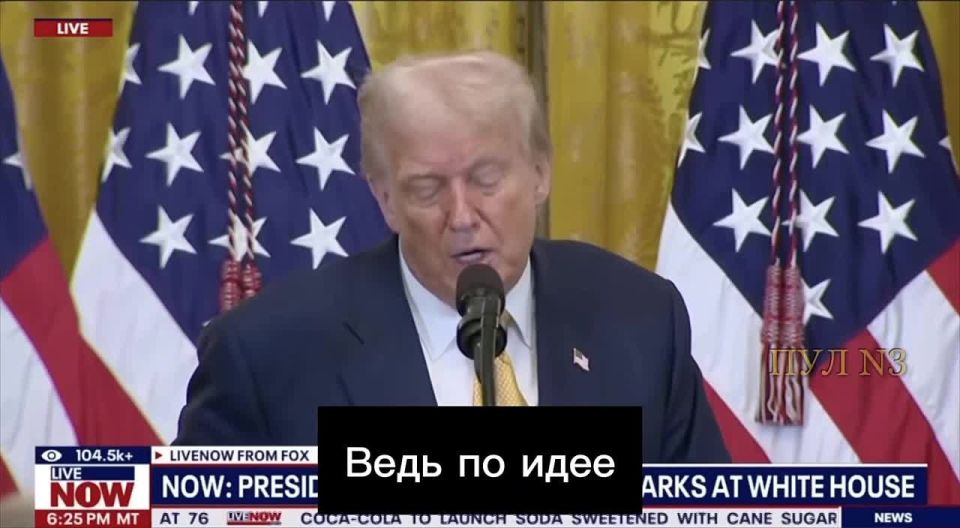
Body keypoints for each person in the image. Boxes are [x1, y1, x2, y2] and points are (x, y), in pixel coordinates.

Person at [174, 50, 730, 463]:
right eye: (426, 189)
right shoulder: (268, 353)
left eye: (486, 180)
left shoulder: (640, 319)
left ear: (540, 173)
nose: (462, 215)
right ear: (385, 199)